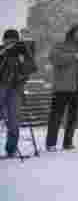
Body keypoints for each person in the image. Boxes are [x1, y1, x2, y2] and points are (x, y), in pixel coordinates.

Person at [45, 23, 78, 152]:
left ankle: (68, 143)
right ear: (72, 31)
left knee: (73, 118)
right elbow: (53, 58)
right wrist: (72, 57)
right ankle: (51, 143)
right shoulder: (61, 44)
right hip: (62, 87)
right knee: (56, 116)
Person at [1, 29, 37, 158]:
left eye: (13, 40)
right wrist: (4, 53)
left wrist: (22, 59)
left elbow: (32, 68)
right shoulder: (2, 51)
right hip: (1, 87)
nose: (11, 42)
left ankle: (11, 149)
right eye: (8, 40)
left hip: (16, 88)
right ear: (4, 40)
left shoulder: (23, 50)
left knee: (14, 119)